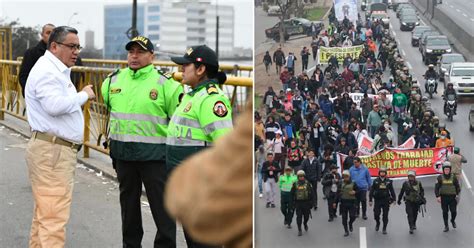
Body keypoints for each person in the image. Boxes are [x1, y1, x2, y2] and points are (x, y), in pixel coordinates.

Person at [101, 36, 183, 247]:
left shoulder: (167, 84)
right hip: (123, 155)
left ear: (151, 56)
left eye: (140, 52)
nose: (134, 56)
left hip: (155, 158)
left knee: (162, 209)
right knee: (128, 208)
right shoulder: (112, 81)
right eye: (131, 52)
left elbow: (179, 123)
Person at [24, 26, 95, 247]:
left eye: (78, 47)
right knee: (53, 221)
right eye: (71, 46)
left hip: (50, 150)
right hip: (53, 152)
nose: (76, 52)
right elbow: (54, 106)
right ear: (54, 46)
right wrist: (84, 95)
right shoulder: (48, 71)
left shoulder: (54, 69)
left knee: (44, 216)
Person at [166, 44, 232, 247]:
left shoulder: (211, 99)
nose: (181, 70)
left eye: (185, 66)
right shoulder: (193, 95)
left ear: (201, 69)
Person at [165, 102, 252, 248]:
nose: (181, 76)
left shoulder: (212, 101)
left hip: (204, 183)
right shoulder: (191, 96)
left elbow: (226, 145)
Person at [19, 23, 55, 97]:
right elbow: (23, 76)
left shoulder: (61, 54)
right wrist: (32, 93)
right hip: (36, 96)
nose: (51, 36)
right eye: (48, 33)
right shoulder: (31, 53)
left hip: (55, 97)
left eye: (53, 33)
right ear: (42, 35)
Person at [369, 166, 396, 234]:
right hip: (378, 200)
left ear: (385, 173)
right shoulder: (376, 181)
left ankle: (384, 228)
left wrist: (394, 199)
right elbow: (372, 190)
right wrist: (370, 200)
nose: (382, 173)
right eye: (381, 172)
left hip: (386, 200)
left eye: (383, 172)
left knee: (385, 215)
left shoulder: (388, 181)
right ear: (379, 173)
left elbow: (392, 190)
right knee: (376, 214)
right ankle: (378, 223)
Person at [435, 162, 461, 232]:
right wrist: (438, 196)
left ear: (450, 170)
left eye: (448, 169)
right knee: (445, 212)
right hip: (444, 198)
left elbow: (457, 187)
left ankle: (452, 220)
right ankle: (446, 226)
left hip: (452, 198)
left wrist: (457, 193)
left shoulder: (453, 177)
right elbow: (436, 188)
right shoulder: (440, 178)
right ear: (443, 170)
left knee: (454, 211)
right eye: (445, 169)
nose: (447, 171)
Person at [291, 170, 314, 236]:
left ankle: (305, 223)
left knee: (306, 217)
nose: (301, 177)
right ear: (298, 177)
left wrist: (312, 203)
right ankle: (299, 229)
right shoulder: (295, 184)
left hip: (306, 203)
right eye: (300, 176)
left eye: (302, 176)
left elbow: (312, 193)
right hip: (298, 203)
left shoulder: (308, 184)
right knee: (299, 217)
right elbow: (292, 194)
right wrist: (292, 204)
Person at [338, 170, 359, 237]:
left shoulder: (353, 183)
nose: (345, 178)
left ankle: (350, 223)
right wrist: (335, 202)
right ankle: (346, 231)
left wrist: (355, 192)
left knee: (353, 216)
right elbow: (338, 193)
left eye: (346, 176)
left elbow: (358, 190)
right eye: (344, 177)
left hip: (352, 203)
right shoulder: (341, 183)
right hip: (343, 203)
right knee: (344, 218)